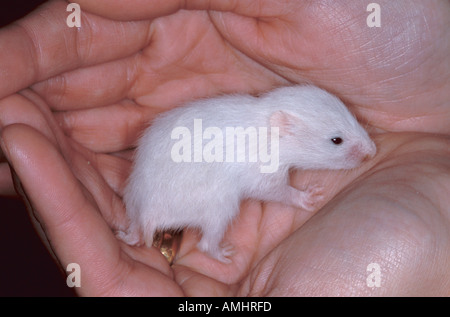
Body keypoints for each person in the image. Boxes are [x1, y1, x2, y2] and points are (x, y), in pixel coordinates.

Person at [0, 0, 449, 296]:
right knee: (222, 199)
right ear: (283, 128)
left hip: (156, 190)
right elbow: (260, 181)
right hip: (180, 189)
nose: (359, 149)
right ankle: (210, 246)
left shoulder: (257, 117)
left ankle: (143, 228)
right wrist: (291, 195)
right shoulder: (261, 138)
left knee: (210, 191)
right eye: (337, 141)